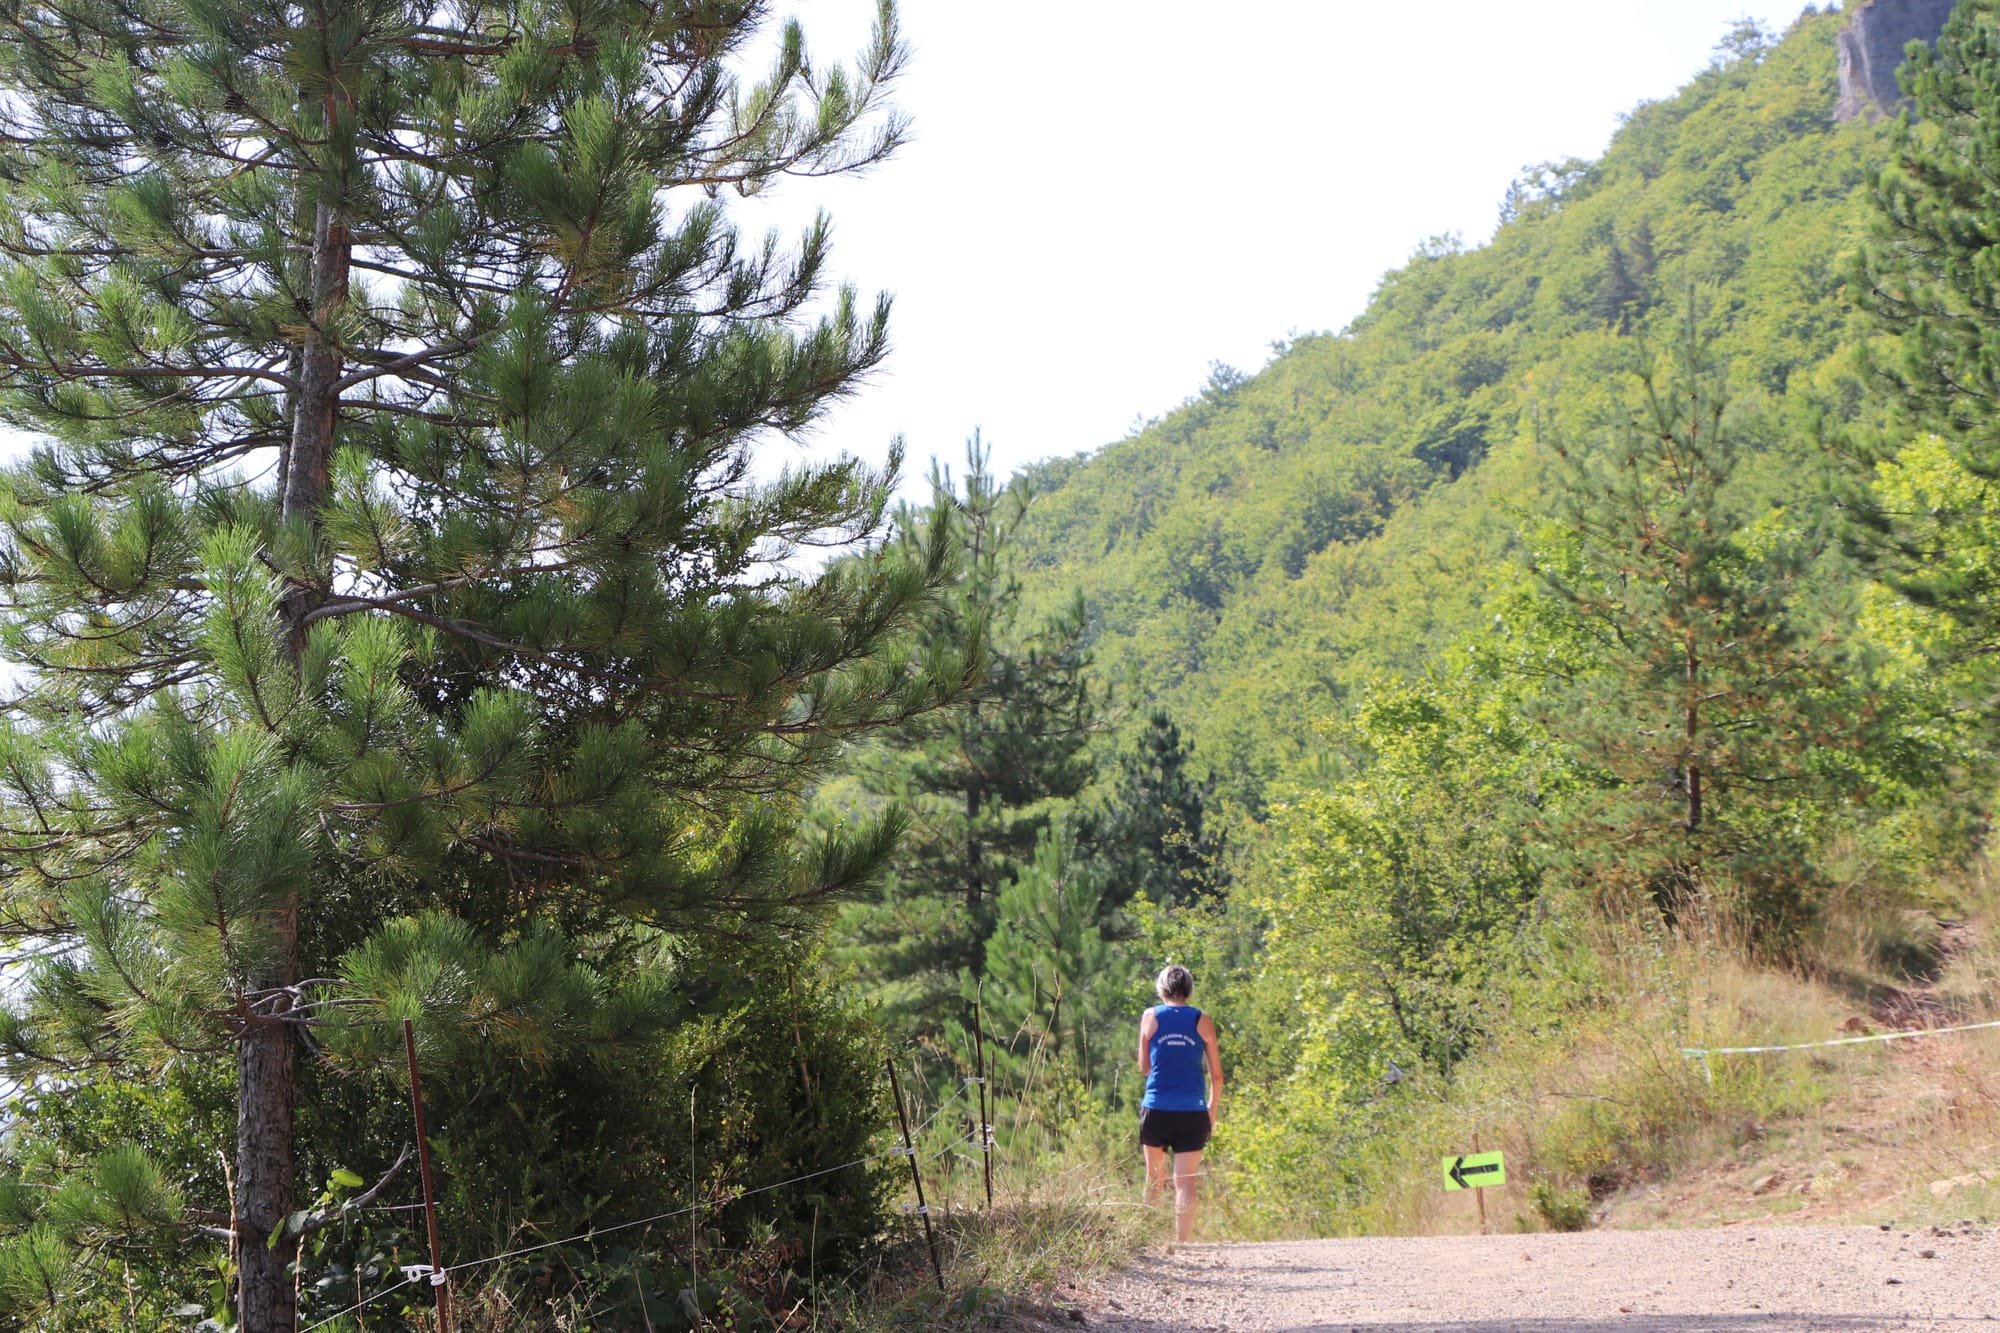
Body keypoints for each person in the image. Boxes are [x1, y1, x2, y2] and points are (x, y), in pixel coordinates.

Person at [1136, 963, 1222, 1244]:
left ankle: (1147, 1242)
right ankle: (1181, 1244)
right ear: (1189, 990)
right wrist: (1211, 1111)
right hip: (1193, 1111)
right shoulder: (1202, 1019)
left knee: (1154, 1179)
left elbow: (1144, 1067)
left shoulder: (1150, 1016)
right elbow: (1217, 1076)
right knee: (1185, 1180)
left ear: (1162, 989)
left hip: (1156, 1108)